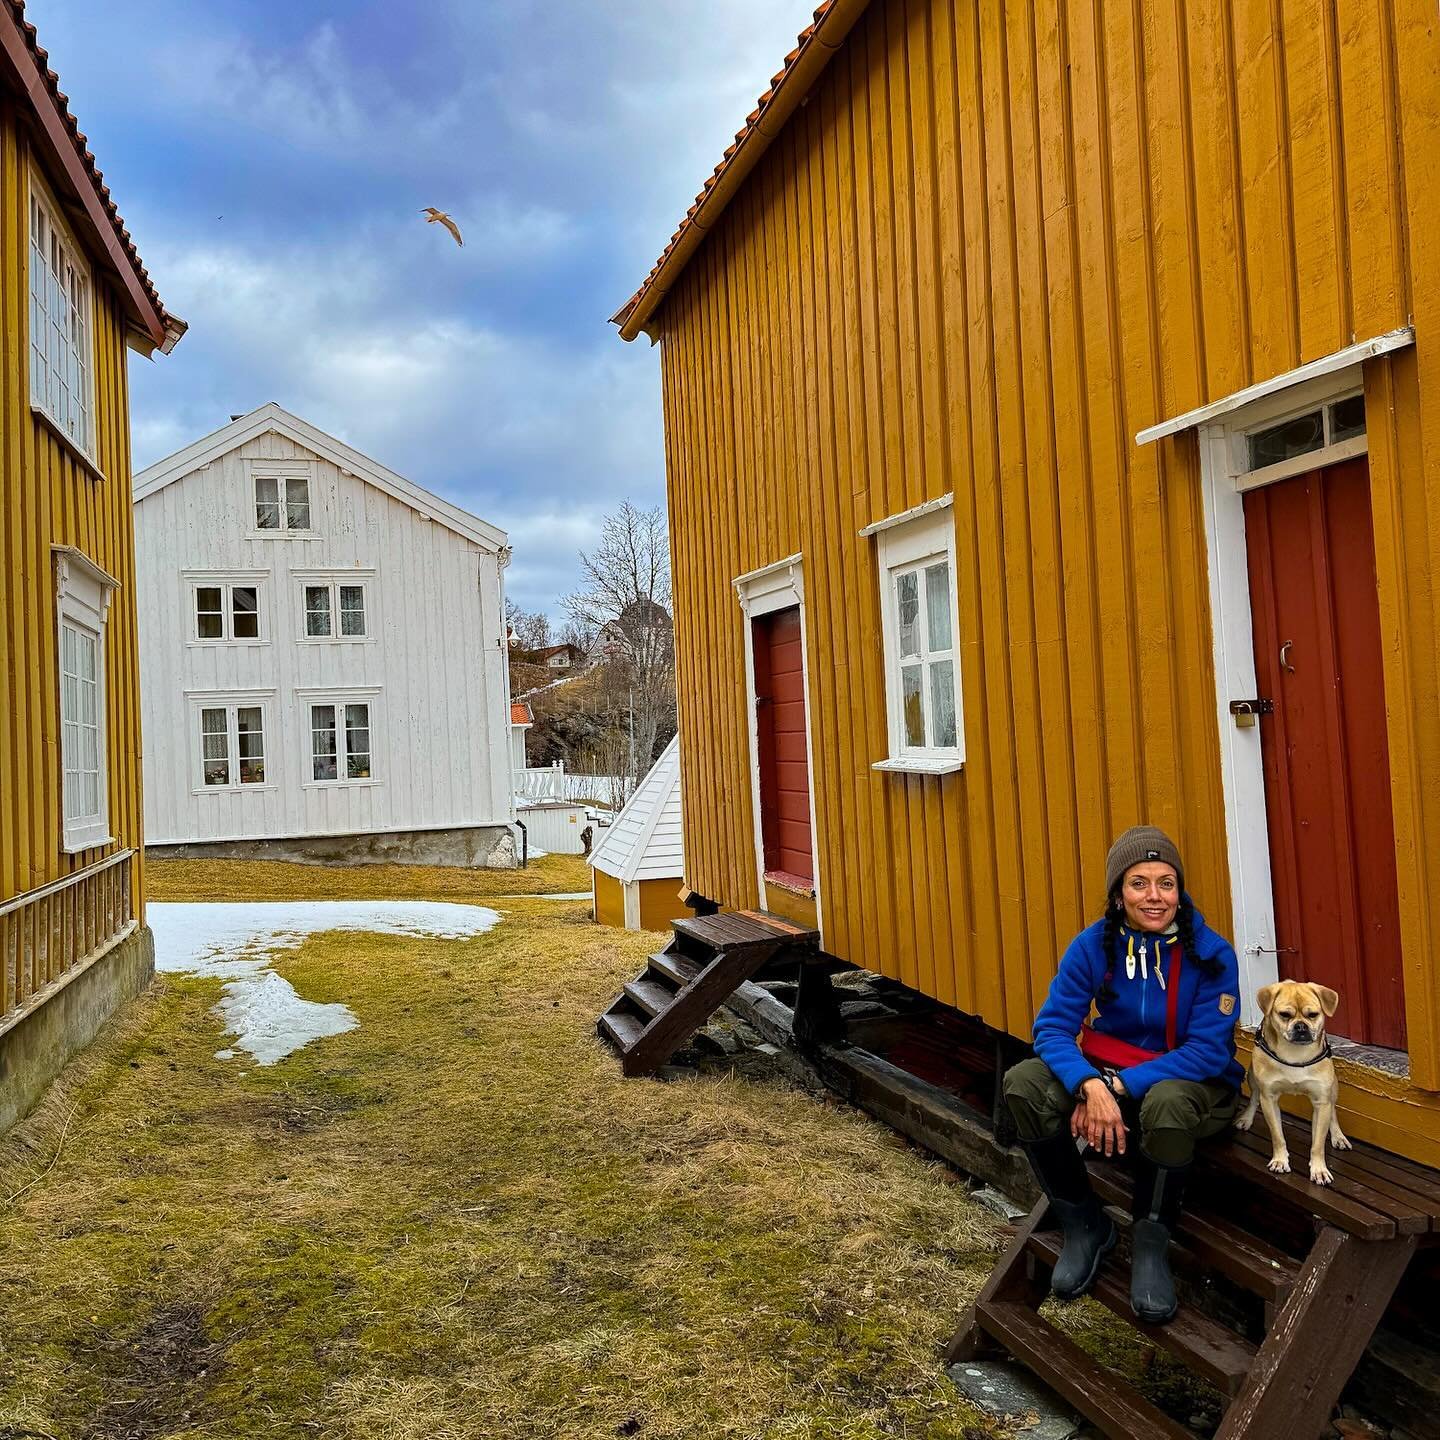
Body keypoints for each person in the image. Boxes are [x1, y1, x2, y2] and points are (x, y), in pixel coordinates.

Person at [1001, 826, 1244, 1323]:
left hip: (1193, 1086)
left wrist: (1115, 1087)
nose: (1155, 897)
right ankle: (1083, 1222)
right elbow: (1051, 1029)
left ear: (1180, 890)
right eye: (1139, 883)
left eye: (1166, 883)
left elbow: (1206, 1052)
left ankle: (1151, 1242)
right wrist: (1088, 1084)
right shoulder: (1094, 946)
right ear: (1117, 894)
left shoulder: (1211, 954)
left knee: (1168, 1102)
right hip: (1108, 1072)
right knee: (1025, 1084)